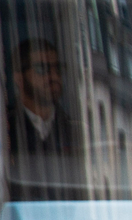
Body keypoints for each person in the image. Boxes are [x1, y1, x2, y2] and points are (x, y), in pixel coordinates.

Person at [6, 37, 78, 200]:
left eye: (57, 69)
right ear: (18, 77)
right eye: (41, 69)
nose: (53, 77)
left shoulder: (77, 131)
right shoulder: (1, 129)